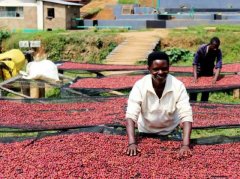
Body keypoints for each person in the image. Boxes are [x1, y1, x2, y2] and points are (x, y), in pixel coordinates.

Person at [125, 51, 193, 158]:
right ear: (149, 69)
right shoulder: (140, 86)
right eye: (156, 69)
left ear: (169, 68)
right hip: (146, 132)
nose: (160, 72)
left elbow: (186, 115)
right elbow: (131, 115)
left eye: (164, 68)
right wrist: (132, 143)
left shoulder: (177, 86)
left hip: (171, 131)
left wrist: (185, 145)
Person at [190, 37, 222, 101]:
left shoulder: (218, 51)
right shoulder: (201, 49)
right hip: (199, 70)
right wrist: (195, 77)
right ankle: (193, 105)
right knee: (193, 91)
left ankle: (203, 106)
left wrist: (215, 79)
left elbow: (219, 65)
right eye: (214, 47)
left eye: (217, 47)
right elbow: (195, 63)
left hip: (208, 71)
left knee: (205, 93)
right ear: (210, 44)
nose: (215, 49)